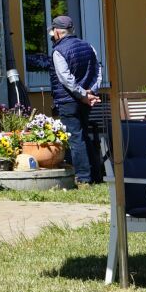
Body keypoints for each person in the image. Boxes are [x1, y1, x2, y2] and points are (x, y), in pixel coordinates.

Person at [49, 14, 108, 184]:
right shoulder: (89, 46)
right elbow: (98, 71)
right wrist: (91, 92)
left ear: (57, 32)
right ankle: (96, 175)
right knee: (84, 135)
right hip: (86, 100)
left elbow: (65, 79)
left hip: (68, 101)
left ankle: (83, 177)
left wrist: (83, 95)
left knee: (75, 138)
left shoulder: (58, 51)